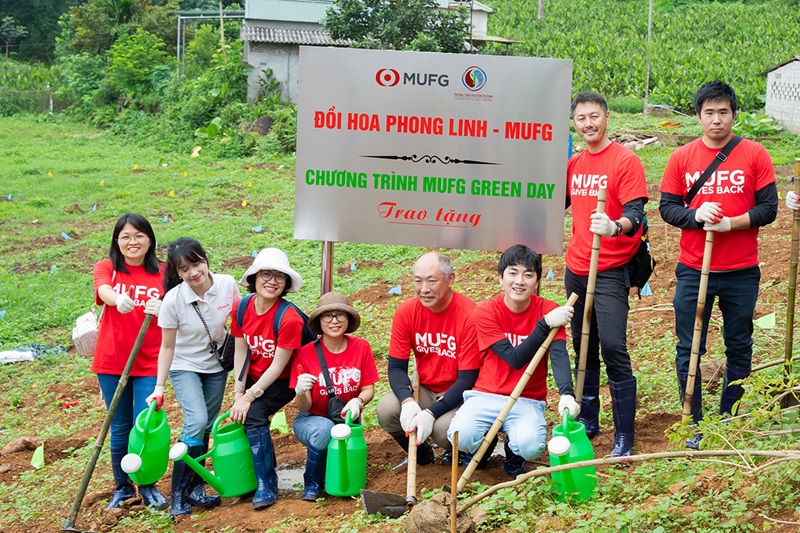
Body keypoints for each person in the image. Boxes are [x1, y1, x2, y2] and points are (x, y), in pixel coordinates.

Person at [659, 80, 777, 448]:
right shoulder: (682, 158)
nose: (716, 120)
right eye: (708, 113)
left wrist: (731, 222)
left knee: (739, 342)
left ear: (734, 115)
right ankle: (692, 421)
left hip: (741, 270)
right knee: (689, 344)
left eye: (723, 112)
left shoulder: (755, 154)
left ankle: (729, 416)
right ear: (698, 117)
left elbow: (768, 209)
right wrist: (695, 215)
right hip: (695, 269)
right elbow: (667, 208)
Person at [565, 91, 649, 457]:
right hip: (577, 268)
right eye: (581, 118)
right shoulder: (573, 164)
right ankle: (588, 417)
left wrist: (615, 226)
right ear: (574, 123)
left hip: (611, 269)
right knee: (583, 345)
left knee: (613, 345)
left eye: (594, 116)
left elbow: (636, 215)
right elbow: (551, 204)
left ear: (607, 117)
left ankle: (624, 435)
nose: (588, 124)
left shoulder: (625, 161)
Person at [447, 244, 579, 477]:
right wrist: (544, 325)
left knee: (530, 446)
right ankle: (483, 446)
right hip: (486, 394)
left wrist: (566, 392)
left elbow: (558, 354)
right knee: (462, 436)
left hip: (527, 399)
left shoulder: (548, 310)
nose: (520, 281)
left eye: (528, 275)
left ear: (536, 281)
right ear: (501, 278)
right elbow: (514, 358)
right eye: (513, 273)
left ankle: (513, 450)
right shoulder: (486, 311)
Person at [146, 237, 241, 517]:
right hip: (185, 365)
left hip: (216, 365)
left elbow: (239, 323)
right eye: (184, 269)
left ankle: (196, 489)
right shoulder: (174, 300)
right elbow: (167, 347)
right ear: (177, 273)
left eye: (196, 263)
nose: (193, 272)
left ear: (205, 258)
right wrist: (159, 387)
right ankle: (178, 494)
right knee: (196, 420)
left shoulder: (227, 284)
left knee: (207, 425)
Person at [91, 213, 168, 510]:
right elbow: (103, 289)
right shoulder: (107, 268)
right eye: (125, 236)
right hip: (112, 362)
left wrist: (165, 307)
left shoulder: (165, 271)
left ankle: (147, 485)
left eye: (138, 235)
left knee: (144, 425)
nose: (132, 242)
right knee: (120, 426)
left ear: (150, 240)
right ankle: (122, 487)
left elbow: (178, 303)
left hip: (150, 361)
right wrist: (115, 299)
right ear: (116, 241)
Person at [376, 251, 480, 466]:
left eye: (432, 280)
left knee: (443, 431)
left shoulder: (470, 314)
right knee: (387, 410)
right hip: (426, 388)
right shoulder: (406, 312)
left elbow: (468, 378)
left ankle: (476, 450)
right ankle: (420, 452)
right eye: (418, 281)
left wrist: (431, 414)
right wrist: (407, 401)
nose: (424, 289)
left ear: (450, 279)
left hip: (461, 392)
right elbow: (396, 367)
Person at [229, 248, 305, 509]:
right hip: (255, 374)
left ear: (286, 284)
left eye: (279, 277)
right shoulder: (241, 308)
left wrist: (250, 396)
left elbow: (279, 364)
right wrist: (239, 391)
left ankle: (266, 483)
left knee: (252, 413)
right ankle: (253, 475)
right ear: (254, 277)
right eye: (266, 274)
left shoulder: (289, 318)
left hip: (284, 379)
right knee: (241, 414)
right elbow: (241, 350)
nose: (272, 281)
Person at [290, 292, 379, 501]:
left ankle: (341, 478)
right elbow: (303, 407)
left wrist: (358, 400)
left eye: (340, 315)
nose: (334, 321)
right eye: (327, 316)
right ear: (319, 322)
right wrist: (300, 391)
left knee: (342, 443)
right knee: (324, 430)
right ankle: (313, 483)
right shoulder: (305, 353)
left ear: (348, 320)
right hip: (311, 420)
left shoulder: (361, 347)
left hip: (346, 419)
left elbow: (368, 388)